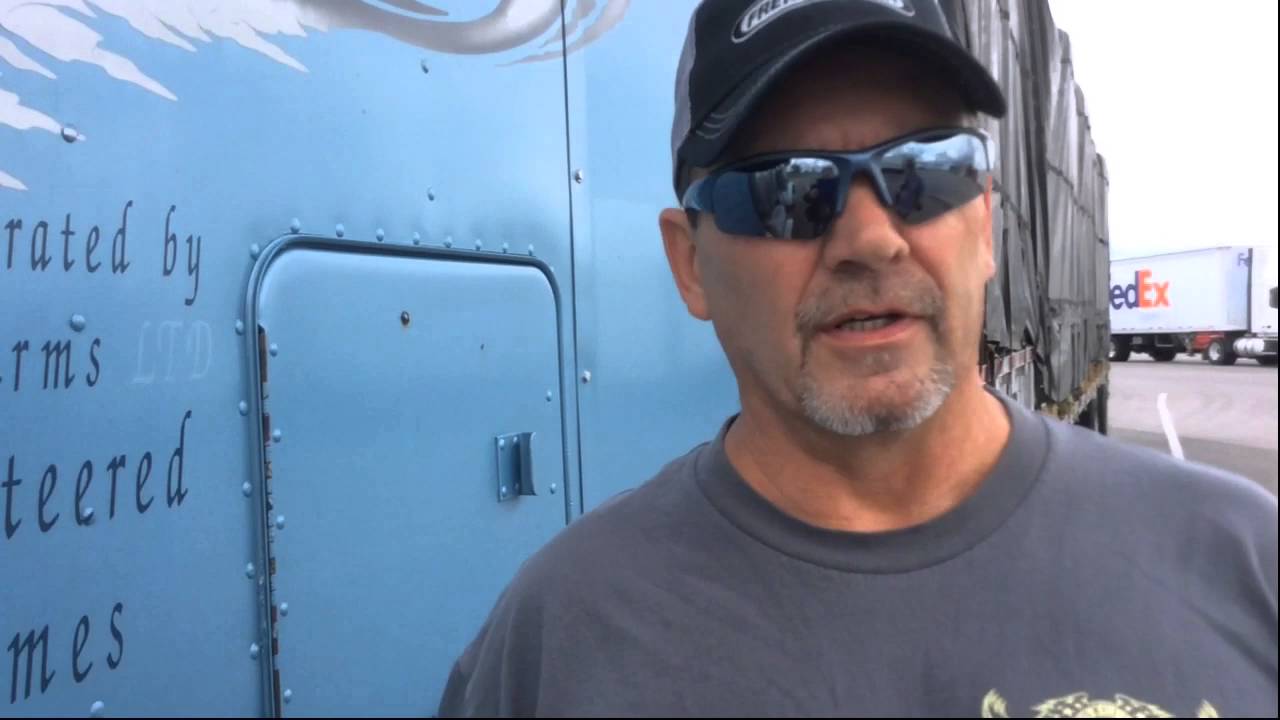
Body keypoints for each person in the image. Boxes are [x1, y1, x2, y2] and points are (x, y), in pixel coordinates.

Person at [438, 1, 1278, 716]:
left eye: (926, 172)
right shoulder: (561, 639)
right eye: (786, 189)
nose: (872, 240)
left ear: (985, 223)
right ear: (690, 264)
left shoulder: (1242, 563)